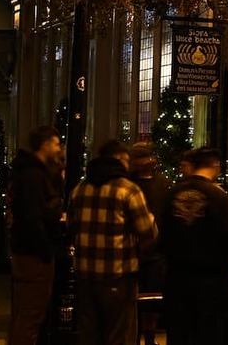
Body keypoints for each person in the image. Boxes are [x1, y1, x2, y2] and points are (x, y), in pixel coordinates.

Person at [68, 139, 158, 345]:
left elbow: (71, 228)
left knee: (89, 333)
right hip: (119, 275)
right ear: (119, 160)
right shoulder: (128, 189)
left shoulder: (80, 189)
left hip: (85, 275)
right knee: (119, 334)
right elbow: (148, 234)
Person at [161, 147, 228, 345]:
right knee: (208, 334)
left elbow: (161, 230)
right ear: (215, 166)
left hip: (176, 276)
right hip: (210, 279)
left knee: (178, 333)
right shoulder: (219, 197)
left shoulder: (173, 194)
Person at [7, 126, 64, 345]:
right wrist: (46, 250)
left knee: (23, 313)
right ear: (46, 144)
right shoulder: (34, 175)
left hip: (25, 252)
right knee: (31, 314)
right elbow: (33, 218)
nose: (59, 148)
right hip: (34, 256)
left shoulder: (27, 172)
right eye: (57, 143)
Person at [129, 142, 172, 345]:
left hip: (155, 253)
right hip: (135, 251)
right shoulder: (129, 185)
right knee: (135, 299)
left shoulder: (161, 184)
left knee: (152, 300)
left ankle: (149, 336)